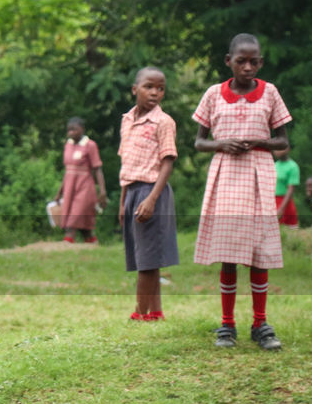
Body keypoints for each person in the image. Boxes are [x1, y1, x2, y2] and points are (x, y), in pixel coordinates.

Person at [193, 33, 291, 350]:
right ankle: (227, 325)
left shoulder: (270, 93)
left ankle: (260, 324)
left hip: (259, 175)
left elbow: (283, 141)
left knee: (259, 251)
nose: (247, 67)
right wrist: (222, 144)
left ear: (260, 62)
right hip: (226, 176)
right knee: (228, 252)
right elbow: (199, 141)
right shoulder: (213, 94)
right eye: (241, 61)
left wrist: (257, 141)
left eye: (253, 61)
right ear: (229, 61)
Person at [118, 66, 180, 322]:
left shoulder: (164, 122)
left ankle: (140, 313)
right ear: (135, 89)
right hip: (132, 191)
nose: (155, 93)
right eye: (149, 87)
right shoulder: (127, 120)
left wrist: (152, 199)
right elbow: (126, 163)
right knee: (143, 256)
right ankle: (155, 312)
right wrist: (123, 203)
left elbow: (167, 161)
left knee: (147, 259)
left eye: (160, 88)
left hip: (151, 191)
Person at [56, 117, 106, 243]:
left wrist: (102, 191)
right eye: (69, 130)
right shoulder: (68, 145)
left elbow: (97, 169)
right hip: (69, 186)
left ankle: (68, 240)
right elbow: (67, 171)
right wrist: (59, 192)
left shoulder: (90, 145)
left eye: (74, 130)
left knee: (77, 214)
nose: (71, 133)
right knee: (84, 225)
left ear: (82, 129)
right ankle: (91, 241)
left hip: (85, 186)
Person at [274, 145, 301, 228]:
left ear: (287, 149)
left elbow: (291, 189)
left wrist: (282, 208)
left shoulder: (292, 166)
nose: (277, 151)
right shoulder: (274, 165)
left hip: (285, 201)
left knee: (290, 228)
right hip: (272, 201)